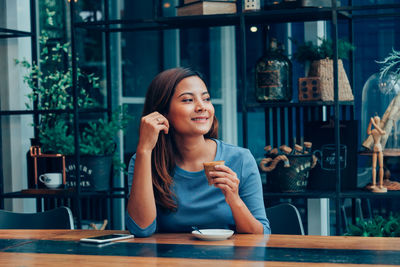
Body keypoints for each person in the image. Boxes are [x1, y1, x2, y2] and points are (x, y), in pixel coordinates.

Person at [125, 67, 270, 237]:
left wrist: (234, 199)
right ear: (162, 113)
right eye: (188, 100)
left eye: (206, 98)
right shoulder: (144, 160)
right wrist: (144, 149)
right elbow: (141, 229)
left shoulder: (241, 159)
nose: (202, 107)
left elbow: (261, 234)